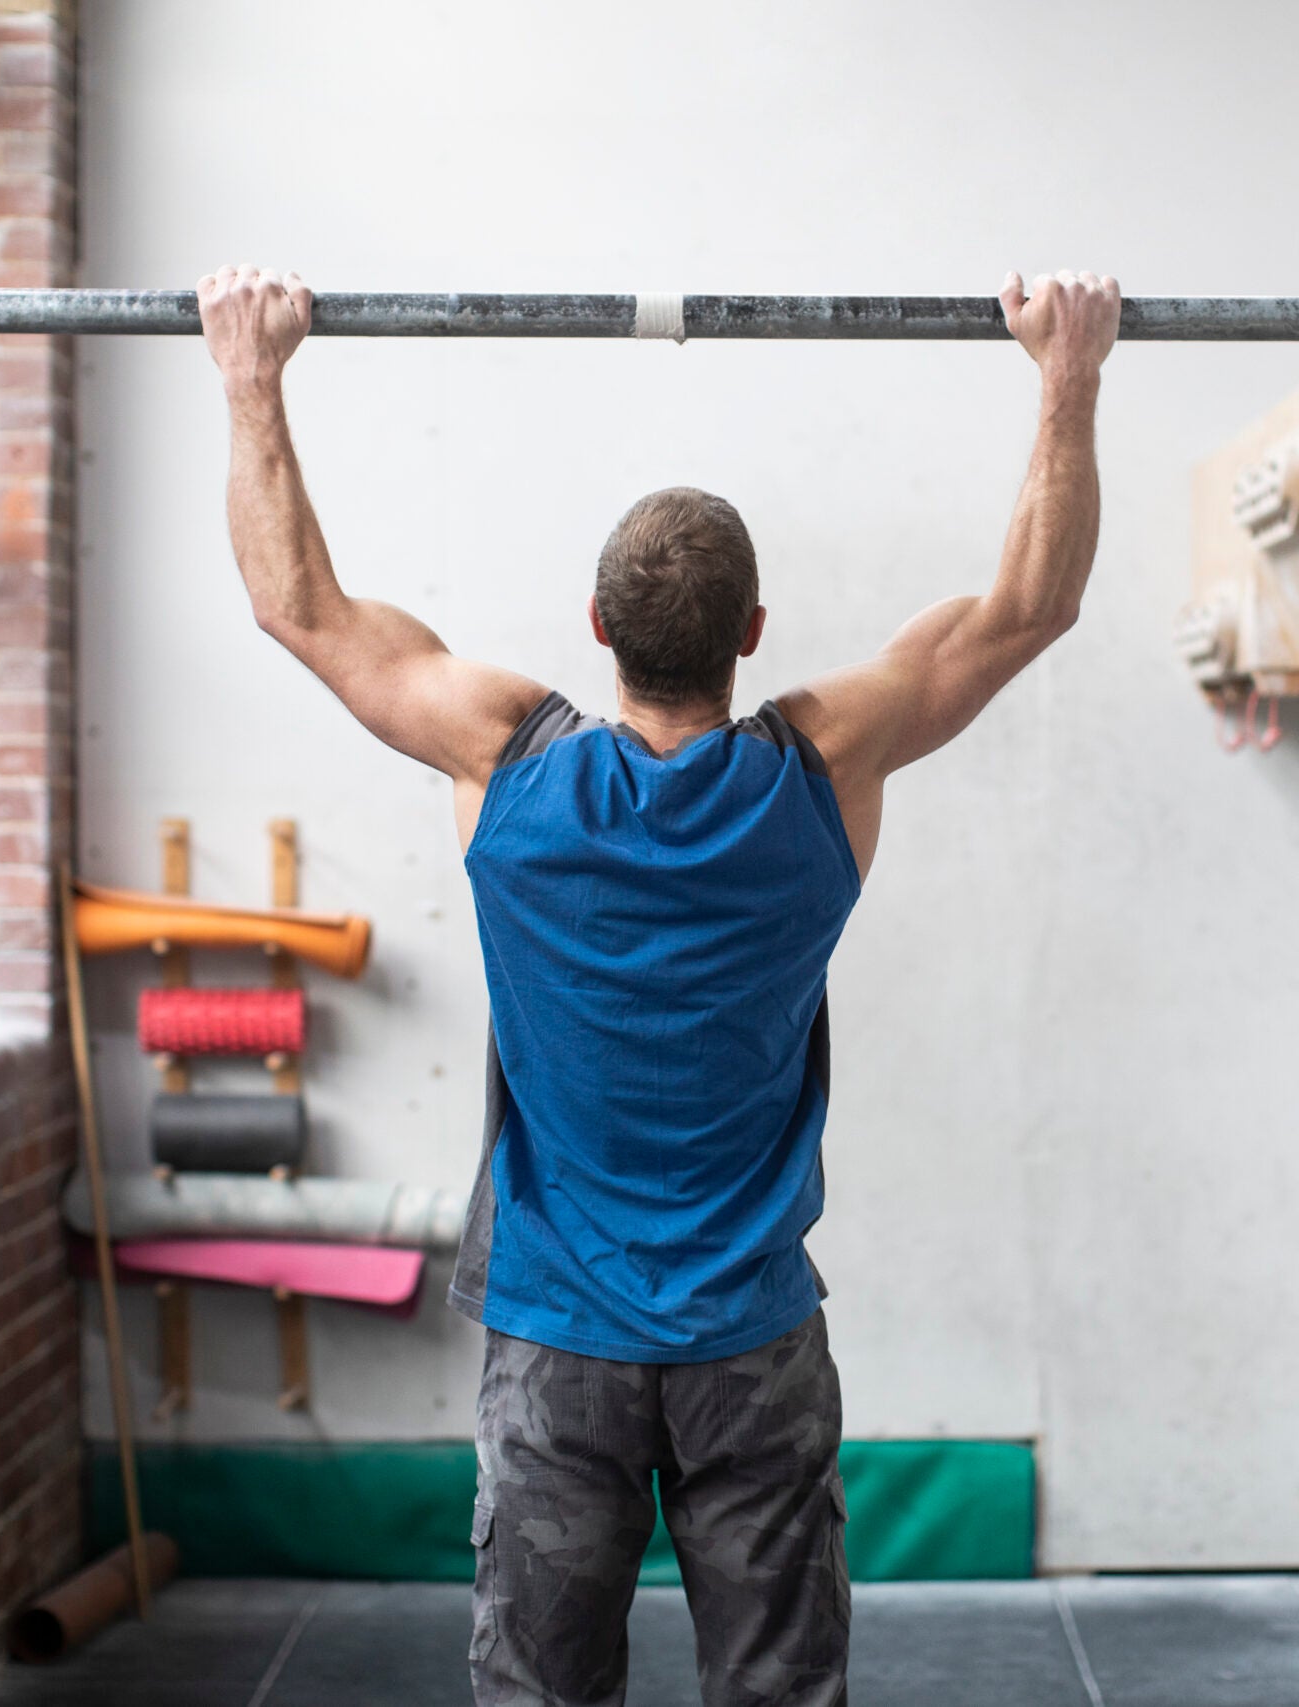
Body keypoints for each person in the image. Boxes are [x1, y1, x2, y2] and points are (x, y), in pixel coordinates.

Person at [199, 263, 1120, 1707]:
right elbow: (1029, 607)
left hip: (559, 1335)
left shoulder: (505, 764)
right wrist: (1068, 375)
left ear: (596, 625)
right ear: (754, 630)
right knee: (776, 1689)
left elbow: (296, 607)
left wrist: (252, 373)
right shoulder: (818, 773)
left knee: (545, 1694)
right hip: (749, 1334)